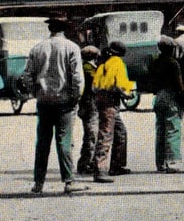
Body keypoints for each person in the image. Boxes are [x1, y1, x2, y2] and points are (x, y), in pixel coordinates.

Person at [23, 14, 88, 195]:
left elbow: (27, 76)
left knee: (42, 142)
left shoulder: (37, 49)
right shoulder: (72, 48)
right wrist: (76, 97)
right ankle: (68, 181)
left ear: (50, 28)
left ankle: (38, 183)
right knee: (64, 141)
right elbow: (77, 78)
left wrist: (35, 92)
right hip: (65, 101)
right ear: (65, 28)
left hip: (44, 101)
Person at [91, 41, 134, 183]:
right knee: (106, 134)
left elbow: (95, 85)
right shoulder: (117, 63)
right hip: (110, 102)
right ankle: (100, 170)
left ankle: (117, 165)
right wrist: (127, 94)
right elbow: (120, 84)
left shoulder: (103, 62)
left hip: (100, 99)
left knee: (120, 132)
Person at [148, 36, 184, 173]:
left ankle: (160, 163)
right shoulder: (173, 63)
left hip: (158, 97)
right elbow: (179, 84)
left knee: (160, 131)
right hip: (170, 97)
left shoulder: (155, 62)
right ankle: (173, 162)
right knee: (173, 129)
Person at [75, 45, 101, 176]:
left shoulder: (85, 67)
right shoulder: (87, 68)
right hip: (89, 104)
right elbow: (96, 83)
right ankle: (85, 163)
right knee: (91, 134)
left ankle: (87, 161)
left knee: (91, 134)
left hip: (88, 104)